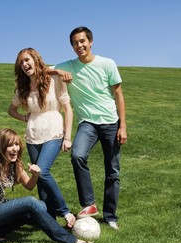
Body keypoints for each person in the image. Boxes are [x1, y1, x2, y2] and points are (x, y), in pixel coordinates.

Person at [0, 128, 92, 243]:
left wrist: (35, 175)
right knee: (30, 203)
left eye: (16, 144)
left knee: (40, 206)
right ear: (0, 147)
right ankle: (69, 239)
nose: (15, 148)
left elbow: (29, 185)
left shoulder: (14, 165)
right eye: (10, 145)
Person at [53, 26, 127, 230]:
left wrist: (123, 126)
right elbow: (41, 69)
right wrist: (58, 71)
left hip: (111, 123)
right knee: (77, 155)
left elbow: (119, 95)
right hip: (87, 123)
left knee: (112, 171)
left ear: (90, 42)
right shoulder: (68, 66)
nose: (79, 46)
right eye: (75, 43)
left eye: (82, 41)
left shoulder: (107, 63)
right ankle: (89, 204)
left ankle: (110, 216)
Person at [8, 48, 76, 228]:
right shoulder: (23, 87)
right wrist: (24, 118)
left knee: (42, 171)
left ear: (36, 60)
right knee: (38, 178)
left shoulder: (54, 78)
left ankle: (65, 211)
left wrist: (67, 137)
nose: (24, 64)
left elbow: (68, 109)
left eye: (27, 60)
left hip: (54, 130)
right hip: (32, 135)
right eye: (21, 62)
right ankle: (48, 218)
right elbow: (11, 110)